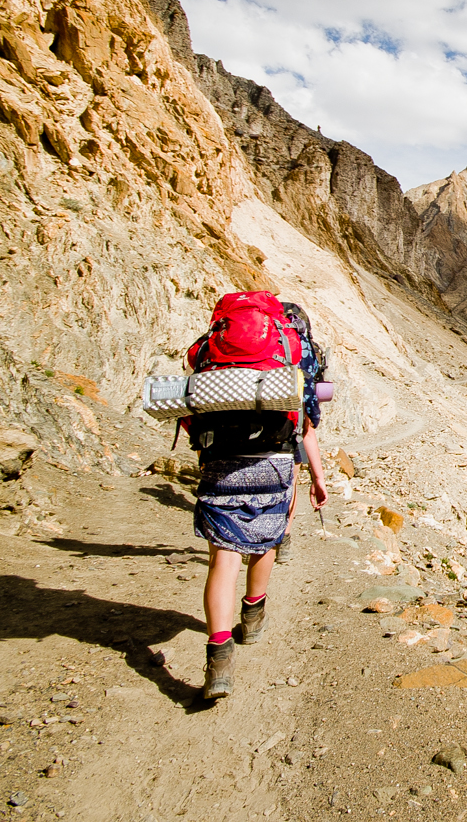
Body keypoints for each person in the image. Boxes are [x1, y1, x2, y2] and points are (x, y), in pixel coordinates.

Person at [193, 300, 329, 701]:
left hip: (220, 459)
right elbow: (306, 425)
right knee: (266, 540)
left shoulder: (213, 348)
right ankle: (253, 616)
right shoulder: (293, 353)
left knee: (222, 557)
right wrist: (318, 478)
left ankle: (218, 661)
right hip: (275, 463)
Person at [273, 301, 327, 565]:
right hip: (284, 432)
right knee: (289, 481)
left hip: (227, 434)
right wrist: (318, 478)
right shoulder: (302, 349)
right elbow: (309, 421)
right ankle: (283, 537)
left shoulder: (239, 351)